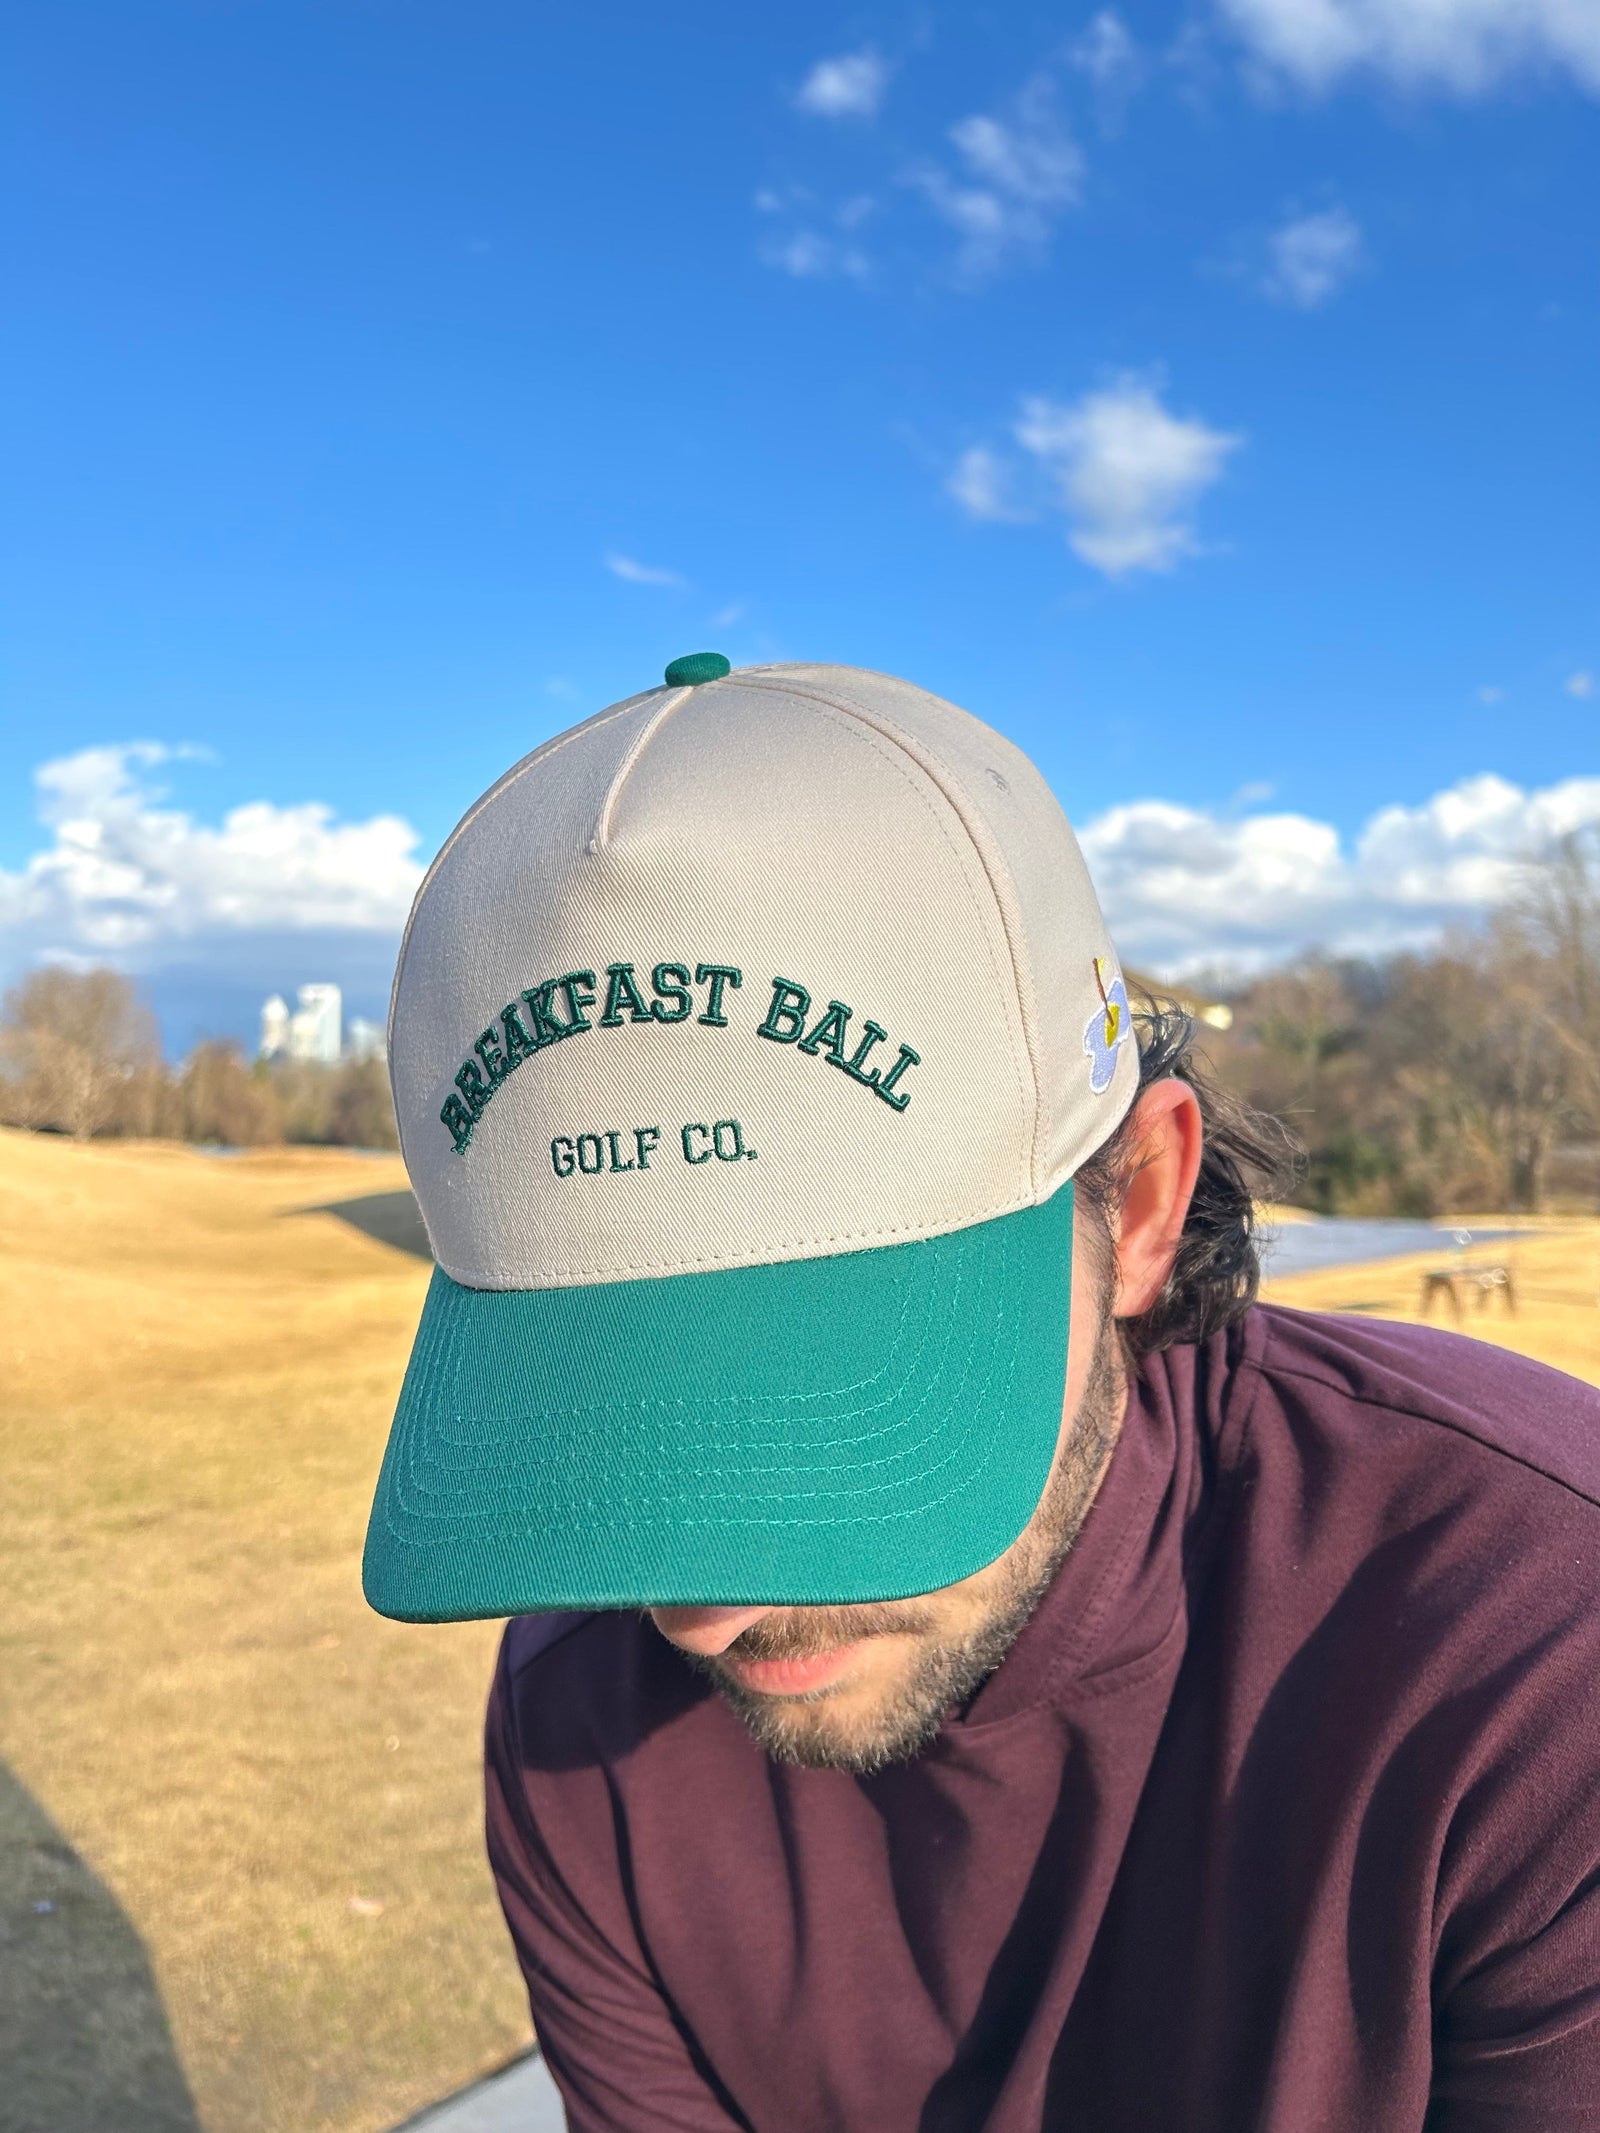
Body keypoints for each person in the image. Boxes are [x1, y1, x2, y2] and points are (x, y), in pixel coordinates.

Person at [364, 658, 1600, 2132]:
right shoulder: (581, 1722)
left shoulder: (1533, 1664)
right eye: (618, 1417)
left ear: (1140, 1201)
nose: (688, 1616)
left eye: (827, 1401)